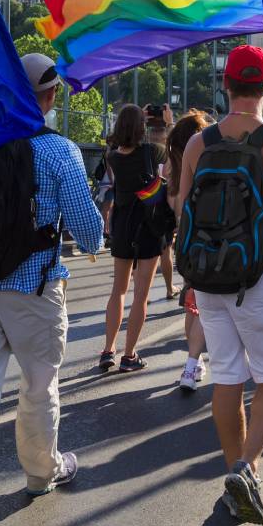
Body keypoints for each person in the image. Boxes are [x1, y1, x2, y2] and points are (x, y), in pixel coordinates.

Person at [0, 53, 104, 526]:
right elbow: (91, 234)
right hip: (34, 291)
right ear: (51, 97)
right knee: (39, 387)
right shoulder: (58, 151)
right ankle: (40, 472)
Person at [176, 45, 263, 525]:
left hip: (211, 280)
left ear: (225, 84)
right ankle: (245, 468)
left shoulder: (199, 144)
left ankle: (239, 478)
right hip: (260, 276)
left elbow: (183, 214)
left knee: (228, 380)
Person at [100, 104, 165, 372]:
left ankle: (108, 350)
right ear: (142, 127)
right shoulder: (153, 151)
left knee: (119, 290)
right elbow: (170, 151)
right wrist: (167, 123)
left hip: (123, 226)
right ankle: (129, 355)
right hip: (148, 226)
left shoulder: (112, 157)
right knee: (141, 295)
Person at [165, 110, 211, 392]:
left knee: (191, 303)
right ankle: (191, 365)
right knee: (204, 305)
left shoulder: (170, 168)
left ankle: (194, 362)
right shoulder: (203, 161)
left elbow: (176, 208)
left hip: (183, 238)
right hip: (204, 236)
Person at [145, 104, 177, 298]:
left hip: (143, 202)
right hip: (163, 205)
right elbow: (177, 147)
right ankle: (169, 288)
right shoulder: (168, 151)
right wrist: (170, 123)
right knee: (166, 249)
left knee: (142, 251)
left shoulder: (141, 149)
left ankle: (145, 294)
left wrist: (140, 118)